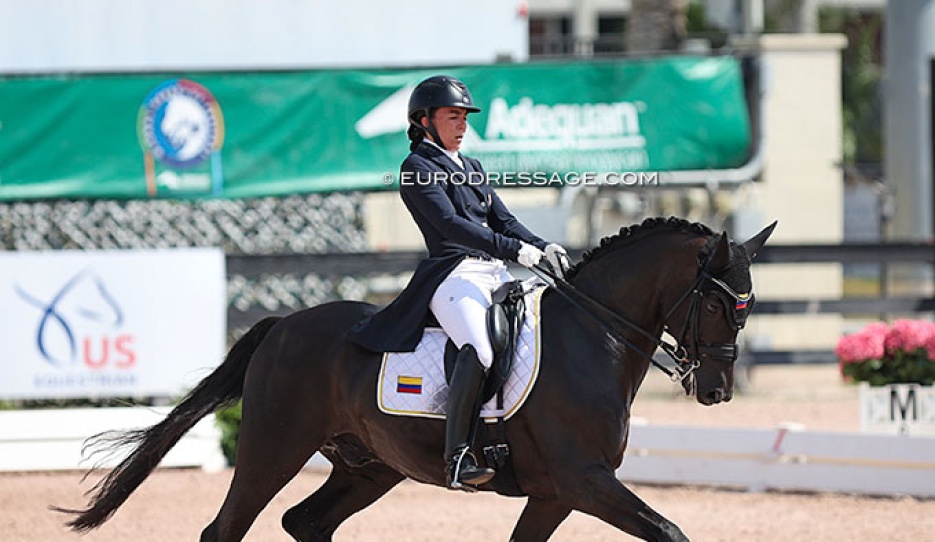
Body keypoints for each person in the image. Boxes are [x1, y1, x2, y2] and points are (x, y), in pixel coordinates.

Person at [348, 75, 568, 490]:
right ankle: (458, 457)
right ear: (425, 120)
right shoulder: (417, 169)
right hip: (453, 275)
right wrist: (514, 251)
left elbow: (503, 218)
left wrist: (541, 245)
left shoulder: (472, 166)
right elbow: (451, 225)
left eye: (464, 117)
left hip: (493, 273)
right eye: (452, 116)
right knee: (480, 349)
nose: (462, 125)